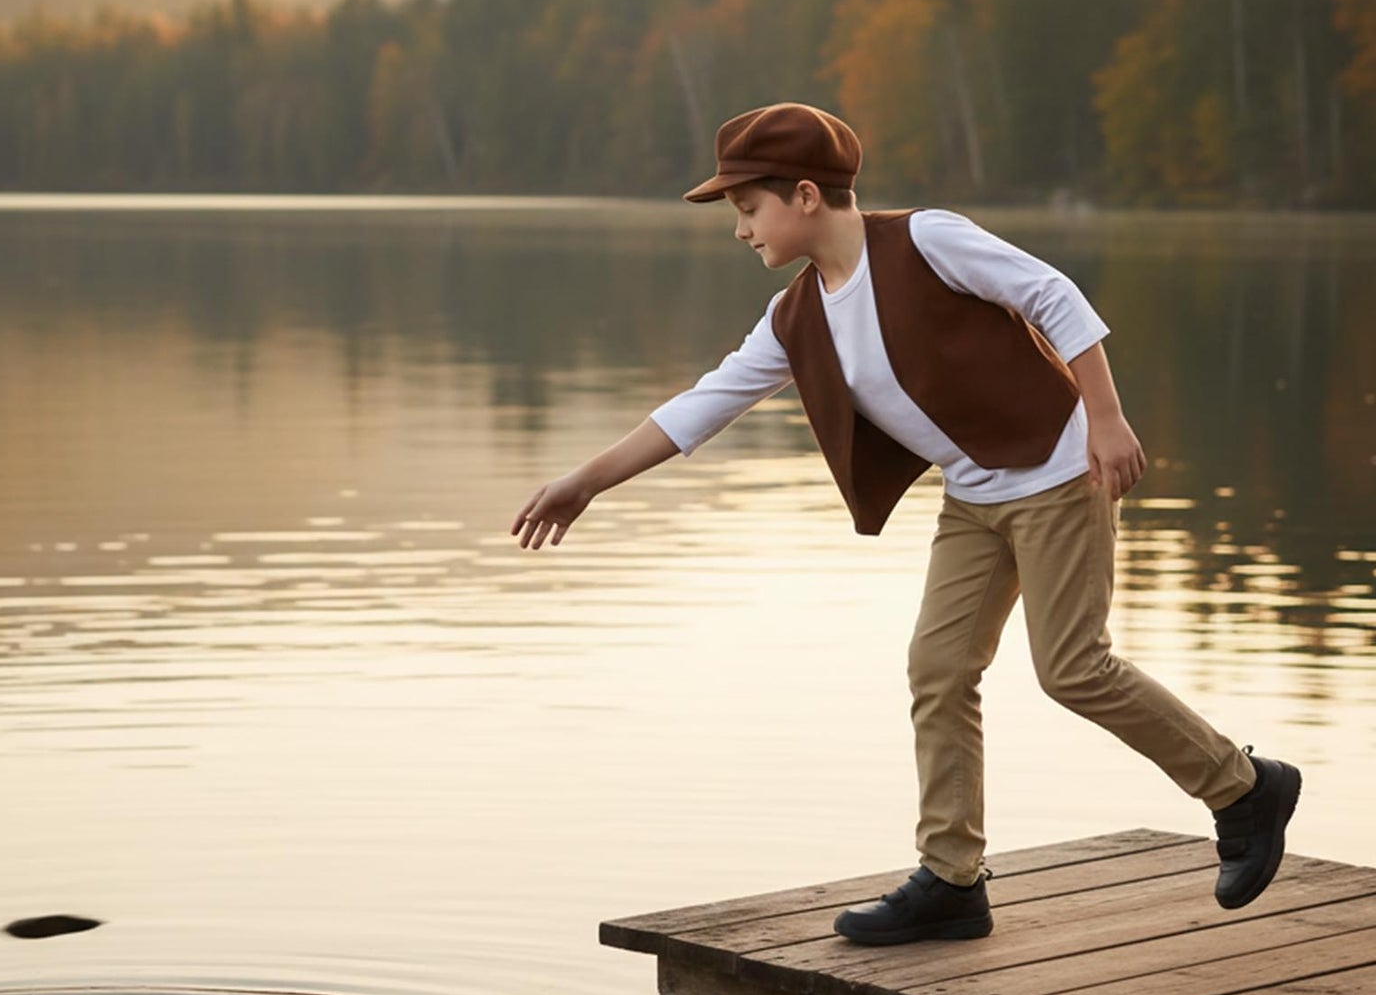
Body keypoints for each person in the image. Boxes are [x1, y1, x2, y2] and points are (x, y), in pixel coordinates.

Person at [510, 101, 1301, 945]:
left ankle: (1244, 788)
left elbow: (1054, 295)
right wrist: (586, 483)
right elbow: (704, 405)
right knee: (938, 668)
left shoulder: (926, 241)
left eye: (748, 209)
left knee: (1072, 667)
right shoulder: (797, 316)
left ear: (805, 196)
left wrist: (1105, 419)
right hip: (975, 497)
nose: (740, 230)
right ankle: (952, 879)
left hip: (1061, 471)